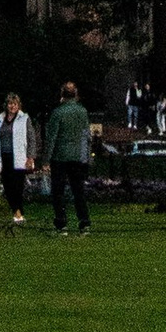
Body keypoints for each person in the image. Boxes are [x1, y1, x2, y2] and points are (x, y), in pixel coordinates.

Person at [46, 79, 94, 236]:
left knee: (58, 192)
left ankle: (61, 224)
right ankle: (84, 223)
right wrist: (86, 157)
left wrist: (46, 159)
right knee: (78, 191)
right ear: (76, 94)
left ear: (62, 95)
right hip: (77, 157)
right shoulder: (82, 111)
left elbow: (51, 138)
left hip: (60, 157)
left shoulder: (58, 112)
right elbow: (86, 136)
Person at [0, 91, 36, 229]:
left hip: (19, 157)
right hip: (5, 156)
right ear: (6, 105)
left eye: (15, 104)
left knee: (17, 186)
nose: (12, 106)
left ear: (19, 105)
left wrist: (30, 157)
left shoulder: (24, 119)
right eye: (10, 103)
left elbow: (31, 138)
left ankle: (18, 213)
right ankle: (17, 211)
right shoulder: (0, 119)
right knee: (8, 186)